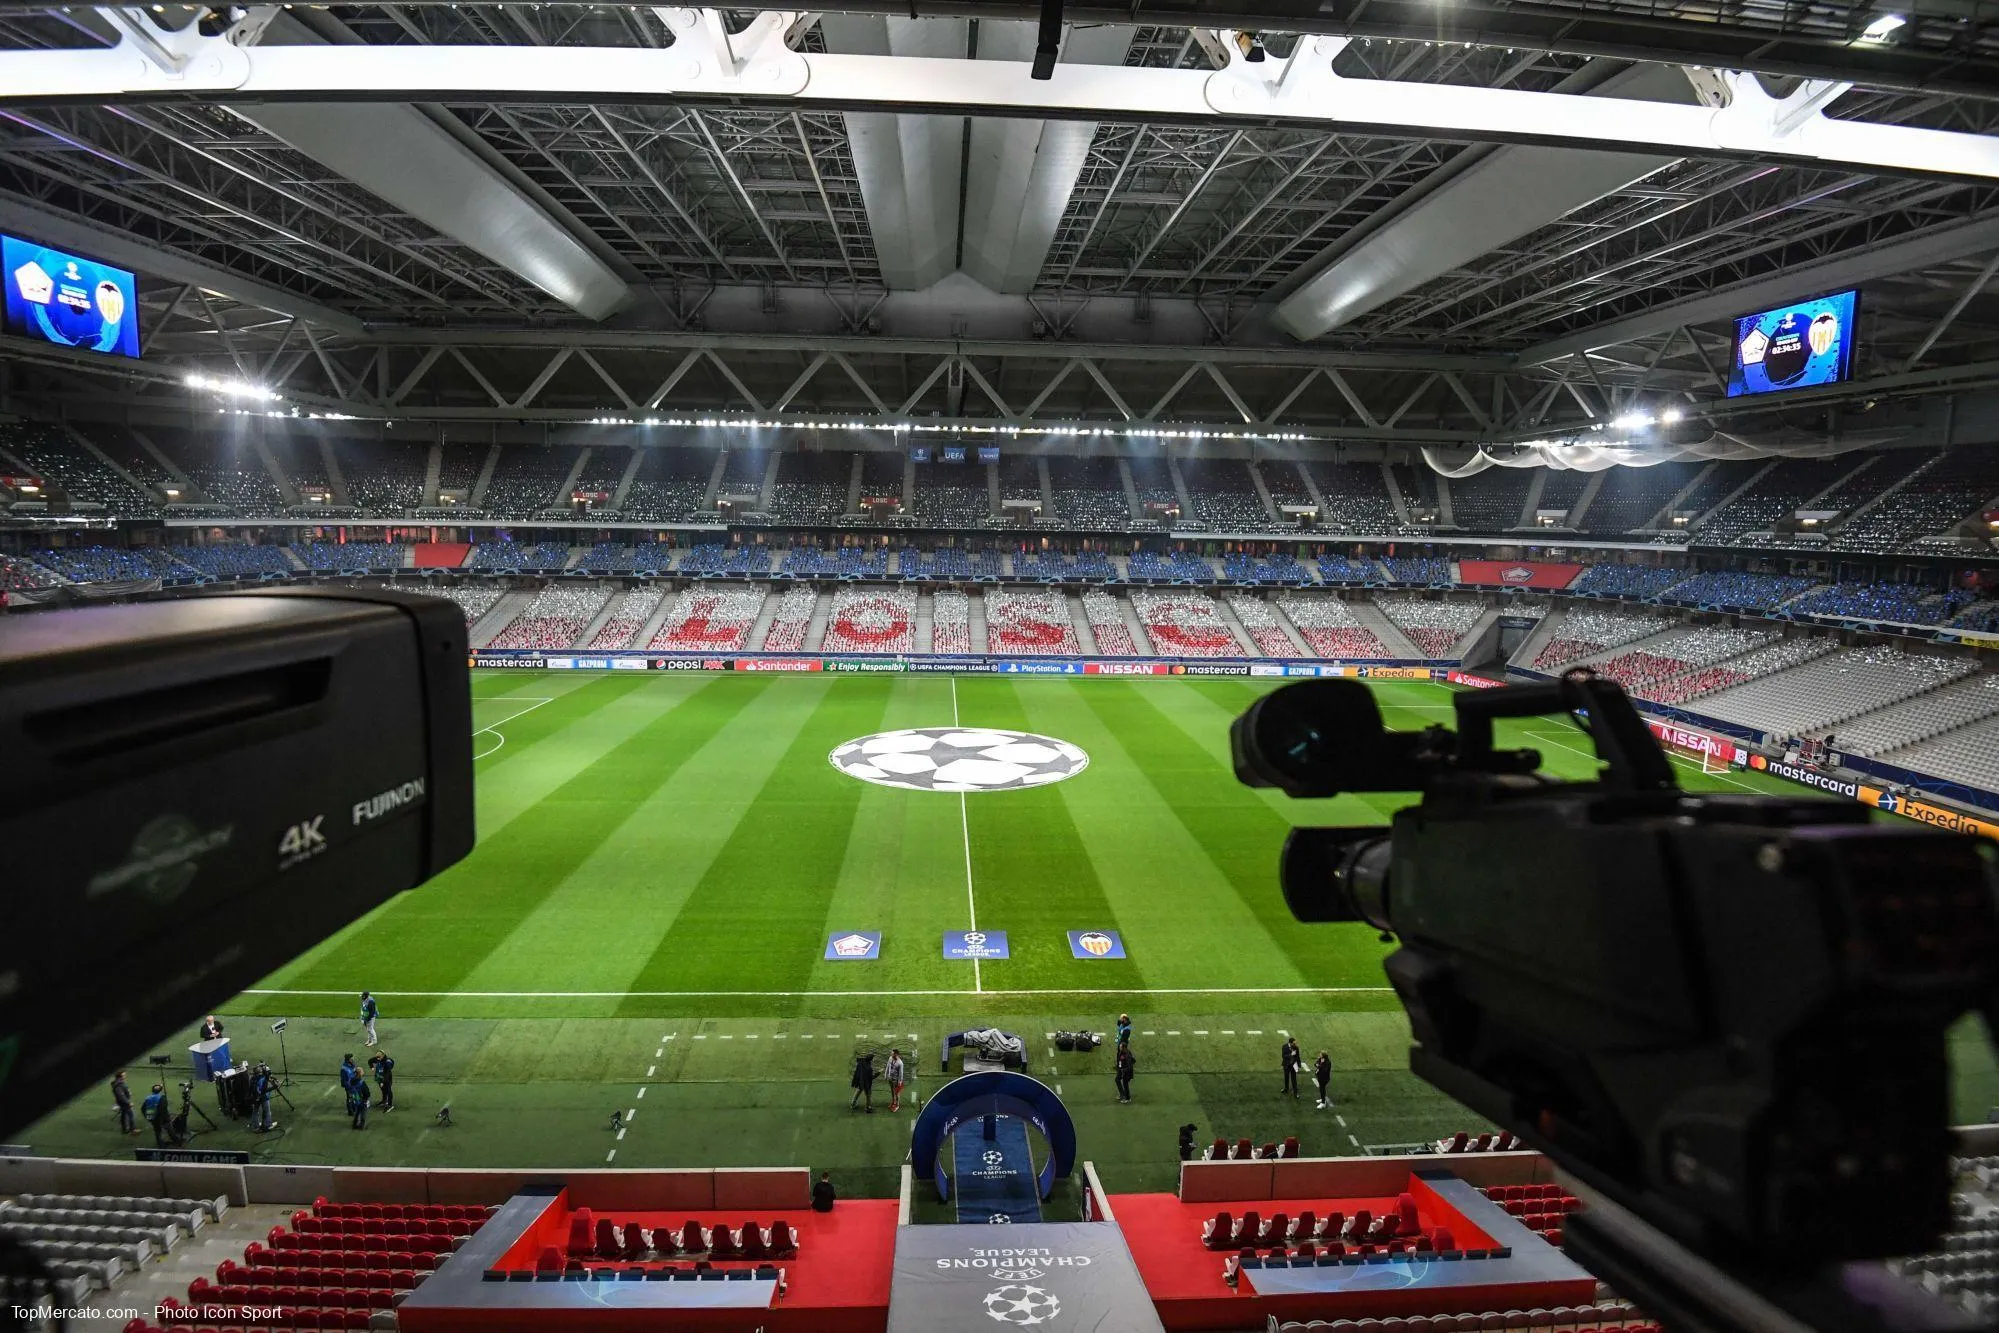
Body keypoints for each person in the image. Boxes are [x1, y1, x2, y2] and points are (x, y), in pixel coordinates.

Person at [251, 1065, 277, 1133]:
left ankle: (255, 1127)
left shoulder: (252, 1078)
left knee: (255, 1112)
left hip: (255, 1097)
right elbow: (264, 1090)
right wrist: (274, 1087)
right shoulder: (263, 1079)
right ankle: (267, 1125)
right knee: (267, 1111)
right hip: (262, 1097)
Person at [112, 1070, 136, 1135]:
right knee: (131, 1115)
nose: (125, 1076)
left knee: (123, 1115)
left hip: (123, 1102)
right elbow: (121, 1095)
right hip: (124, 1102)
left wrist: (128, 1092)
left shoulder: (119, 1083)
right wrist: (128, 1103)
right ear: (120, 1076)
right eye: (124, 1075)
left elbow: (122, 1092)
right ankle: (132, 1130)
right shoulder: (118, 1085)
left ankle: (124, 1130)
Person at [885, 1048, 906, 1113]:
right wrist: (886, 1075)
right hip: (890, 1078)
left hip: (896, 1080)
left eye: (892, 1053)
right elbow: (887, 1066)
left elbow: (901, 1073)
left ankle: (897, 1105)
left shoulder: (900, 1063)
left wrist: (900, 1081)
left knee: (897, 1093)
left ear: (896, 1054)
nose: (891, 1054)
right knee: (892, 1091)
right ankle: (893, 1102)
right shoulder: (890, 1058)